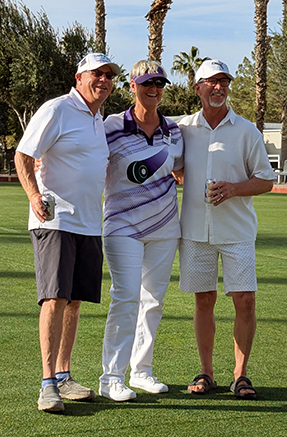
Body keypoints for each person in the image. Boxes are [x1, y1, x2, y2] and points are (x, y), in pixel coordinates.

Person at [15, 53, 121, 412]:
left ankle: (63, 375)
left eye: (109, 75)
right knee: (55, 298)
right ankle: (47, 384)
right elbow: (24, 155)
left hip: (89, 223)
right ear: (79, 77)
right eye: (97, 74)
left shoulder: (98, 119)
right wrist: (33, 196)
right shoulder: (57, 109)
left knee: (74, 301)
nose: (103, 80)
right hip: (55, 220)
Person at [177, 59, 275, 399]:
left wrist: (233, 189)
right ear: (197, 87)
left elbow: (266, 181)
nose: (219, 87)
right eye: (212, 81)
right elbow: (164, 159)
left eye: (224, 81)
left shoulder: (247, 131)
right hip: (195, 231)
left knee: (245, 301)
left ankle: (240, 375)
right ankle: (206, 372)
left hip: (237, 231)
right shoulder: (182, 128)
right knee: (204, 300)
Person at [98, 60, 183, 401]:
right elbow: (86, 157)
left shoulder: (174, 130)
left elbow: (181, 170)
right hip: (122, 226)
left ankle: (142, 371)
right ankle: (111, 377)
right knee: (126, 297)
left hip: (165, 227)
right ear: (132, 86)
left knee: (153, 302)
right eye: (147, 82)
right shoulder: (110, 126)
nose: (154, 89)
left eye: (159, 83)